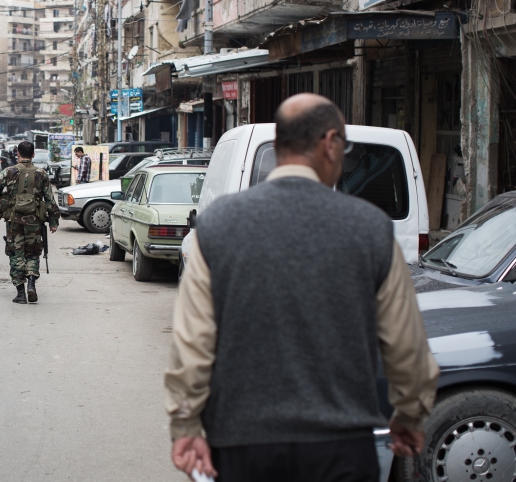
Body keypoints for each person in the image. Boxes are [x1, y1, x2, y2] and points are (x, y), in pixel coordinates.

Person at [164, 94, 439, 481]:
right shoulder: (371, 229)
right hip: (342, 449)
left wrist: (186, 426)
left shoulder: (219, 226)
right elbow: (406, 345)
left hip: (244, 447)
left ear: (279, 147)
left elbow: (193, 342)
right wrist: (410, 414)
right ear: (330, 143)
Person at [0, 141, 60, 304]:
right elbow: (50, 200)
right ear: (33, 155)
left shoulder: (8, 172)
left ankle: (20, 293)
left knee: (16, 253)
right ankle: (31, 283)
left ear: (17, 153)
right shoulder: (41, 174)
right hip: (35, 221)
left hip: (14, 221)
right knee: (32, 252)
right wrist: (53, 221)